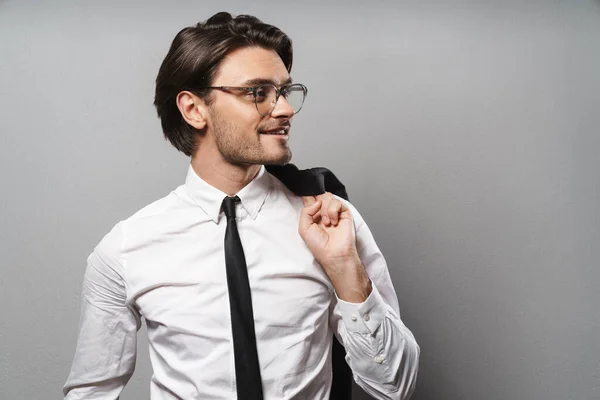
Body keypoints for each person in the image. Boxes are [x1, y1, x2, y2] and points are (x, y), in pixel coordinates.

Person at [63, 12, 419, 400]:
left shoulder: (330, 222)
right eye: (257, 92)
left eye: (285, 91)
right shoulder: (125, 250)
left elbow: (395, 387)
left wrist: (346, 271)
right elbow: (90, 391)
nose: (283, 109)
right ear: (194, 109)